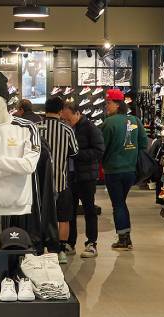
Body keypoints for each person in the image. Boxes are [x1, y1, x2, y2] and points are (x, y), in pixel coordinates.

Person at [55, 97, 105, 257]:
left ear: (77, 113)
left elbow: (98, 151)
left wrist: (76, 154)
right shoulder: (64, 128)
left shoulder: (90, 128)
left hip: (86, 176)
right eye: (64, 119)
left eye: (68, 119)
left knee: (89, 209)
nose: (66, 122)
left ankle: (91, 244)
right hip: (69, 176)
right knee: (70, 211)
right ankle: (70, 243)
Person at [100, 89, 145, 251]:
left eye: (108, 103)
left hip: (113, 170)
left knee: (118, 204)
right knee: (121, 203)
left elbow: (101, 148)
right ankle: (126, 236)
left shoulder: (109, 123)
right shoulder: (135, 120)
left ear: (117, 104)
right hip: (131, 170)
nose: (106, 106)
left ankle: (124, 238)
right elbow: (144, 144)